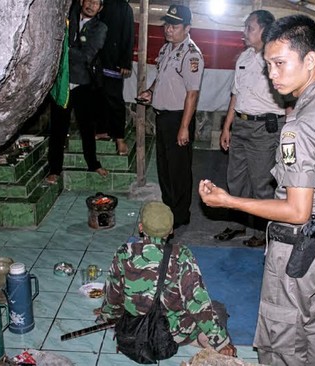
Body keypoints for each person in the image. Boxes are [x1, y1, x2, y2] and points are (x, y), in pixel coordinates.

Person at [199, 15, 315, 366]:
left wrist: (228, 200)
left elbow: (296, 211)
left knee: (282, 342)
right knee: (314, 331)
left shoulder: (298, 128)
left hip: (299, 250)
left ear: (310, 60)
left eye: (279, 64)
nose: (272, 74)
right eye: (268, 64)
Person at [96, 201, 236, 357]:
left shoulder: (124, 253)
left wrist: (107, 316)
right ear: (170, 231)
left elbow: (113, 294)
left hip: (137, 328)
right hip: (173, 333)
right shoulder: (181, 255)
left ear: (141, 227)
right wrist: (221, 340)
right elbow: (197, 302)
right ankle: (210, 343)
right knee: (217, 309)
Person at [214, 10, 286, 248]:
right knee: (235, 179)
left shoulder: (277, 59)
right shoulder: (244, 58)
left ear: (264, 30)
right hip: (242, 124)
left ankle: (261, 229)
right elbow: (236, 95)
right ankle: (237, 224)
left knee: (261, 183)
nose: (244, 33)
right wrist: (227, 127)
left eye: (249, 28)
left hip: (264, 128)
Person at [136, 4, 203, 228]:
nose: (168, 30)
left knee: (179, 171)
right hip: (163, 117)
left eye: (174, 26)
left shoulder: (191, 54)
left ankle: (180, 216)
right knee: (164, 169)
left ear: (187, 28)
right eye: (167, 25)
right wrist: (151, 92)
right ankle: (168, 210)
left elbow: (192, 94)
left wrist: (184, 127)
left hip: (178, 119)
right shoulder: (167, 49)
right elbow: (162, 78)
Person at [47, 0, 109, 184]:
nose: (91, 5)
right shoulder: (67, 18)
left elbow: (87, 56)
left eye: (96, 3)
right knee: (58, 128)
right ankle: (54, 169)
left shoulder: (100, 28)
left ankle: (93, 163)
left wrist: (65, 47)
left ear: (101, 8)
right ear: (82, 1)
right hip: (61, 83)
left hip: (83, 84)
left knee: (87, 128)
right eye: (89, 0)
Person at [94, 0, 135, 155]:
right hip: (96, 60)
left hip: (114, 61)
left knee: (114, 98)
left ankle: (119, 137)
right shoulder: (97, 3)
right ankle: (101, 130)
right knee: (98, 96)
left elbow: (128, 35)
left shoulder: (124, 7)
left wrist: (125, 61)